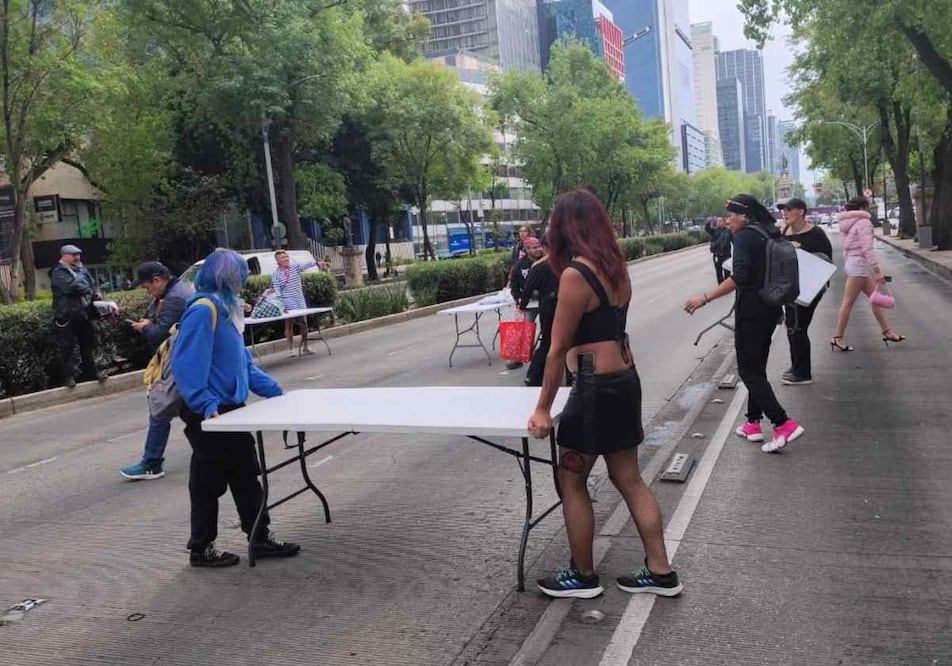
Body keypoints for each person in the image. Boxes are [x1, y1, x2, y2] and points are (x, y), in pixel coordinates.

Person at [528, 189, 682, 599]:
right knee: (628, 477)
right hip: (623, 380)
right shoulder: (616, 266)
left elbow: (557, 348)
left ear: (564, 226)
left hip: (594, 391)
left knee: (571, 478)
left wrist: (543, 408)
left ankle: (581, 575)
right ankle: (661, 571)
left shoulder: (577, 274)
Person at [172, 249, 300, 567]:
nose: (243, 282)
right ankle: (202, 548)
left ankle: (259, 537)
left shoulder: (225, 311)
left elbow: (242, 365)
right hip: (210, 413)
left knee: (245, 476)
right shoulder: (203, 311)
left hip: (229, 410)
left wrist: (275, 392)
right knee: (207, 483)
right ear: (228, 279)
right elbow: (187, 365)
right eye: (240, 276)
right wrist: (205, 404)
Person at [684, 194, 805, 454]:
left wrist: (703, 298)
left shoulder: (744, 238)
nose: (727, 221)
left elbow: (738, 277)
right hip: (771, 308)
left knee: (749, 371)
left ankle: (782, 423)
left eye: (731, 216)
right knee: (757, 367)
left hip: (752, 310)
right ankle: (752, 423)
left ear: (744, 216)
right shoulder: (769, 232)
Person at [120, 261, 194, 481]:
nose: (147, 291)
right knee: (185, 411)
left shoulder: (173, 298)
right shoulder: (178, 291)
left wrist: (145, 327)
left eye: (146, 287)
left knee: (160, 408)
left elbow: (160, 334)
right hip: (182, 361)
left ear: (157, 280)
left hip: (176, 362)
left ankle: (152, 463)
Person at [832, 197, 905, 350]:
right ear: (863, 208)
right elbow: (868, 249)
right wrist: (877, 270)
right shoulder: (863, 222)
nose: (871, 209)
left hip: (854, 263)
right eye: (869, 206)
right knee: (847, 302)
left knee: (875, 299)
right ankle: (837, 337)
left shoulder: (849, 223)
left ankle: (887, 331)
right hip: (858, 265)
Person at [777, 198, 832, 385]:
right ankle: (796, 366)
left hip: (810, 287)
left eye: (788, 209)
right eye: (783, 210)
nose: (784, 213)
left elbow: (827, 261)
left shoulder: (816, 233)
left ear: (801, 211)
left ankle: (803, 373)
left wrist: (802, 251)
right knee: (791, 326)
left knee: (799, 326)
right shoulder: (783, 232)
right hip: (790, 286)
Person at [50, 244, 108, 388]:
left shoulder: (82, 270)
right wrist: (87, 288)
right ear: (64, 256)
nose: (77, 257)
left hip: (83, 314)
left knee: (87, 346)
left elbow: (93, 285)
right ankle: (68, 378)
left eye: (78, 254)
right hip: (66, 317)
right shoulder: (58, 271)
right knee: (67, 348)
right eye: (73, 255)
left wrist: (94, 291)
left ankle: (91, 373)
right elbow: (71, 288)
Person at [519, 234, 560, 387]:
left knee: (547, 341)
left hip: (547, 306)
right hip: (566, 305)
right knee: (568, 342)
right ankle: (573, 379)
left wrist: (522, 306)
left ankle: (534, 377)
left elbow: (527, 290)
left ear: (545, 247)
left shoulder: (538, 267)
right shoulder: (568, 263)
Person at [507, 236, 544, 370]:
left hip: (546, 300)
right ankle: (519, 357)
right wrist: (518, 299)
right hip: (528, 303)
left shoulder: (546, 261)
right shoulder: (519, 266)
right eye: (534, 248)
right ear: (527, 249)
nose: (538, 250)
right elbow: (514, 285)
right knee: (524, 330)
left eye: (539, 246)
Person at [271, 250, 317, 357]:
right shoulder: (276, 275)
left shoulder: (294, 267)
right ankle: (291, 349)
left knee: (304, 323)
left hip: (299, 299)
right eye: (282, 258)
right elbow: (277, 291)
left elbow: (306, 265)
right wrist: (282, 305)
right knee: (289, 324)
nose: (286, 259)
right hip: (288, 301)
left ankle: (305, 347)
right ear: (278, 261)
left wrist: (317, 262)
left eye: (286, 256)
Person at [704, 216, 732, 283]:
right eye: (717, 221)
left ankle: (726, 285)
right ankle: (721, 286)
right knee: (718, 272)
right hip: (717, 254)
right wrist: (708, 222)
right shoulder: (714, 231)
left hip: (726, 255)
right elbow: (707, 229)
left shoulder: (728, 231)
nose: (719, 222)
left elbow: (734, 240)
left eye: (720, 221)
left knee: (727, 271)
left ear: (723, 222)